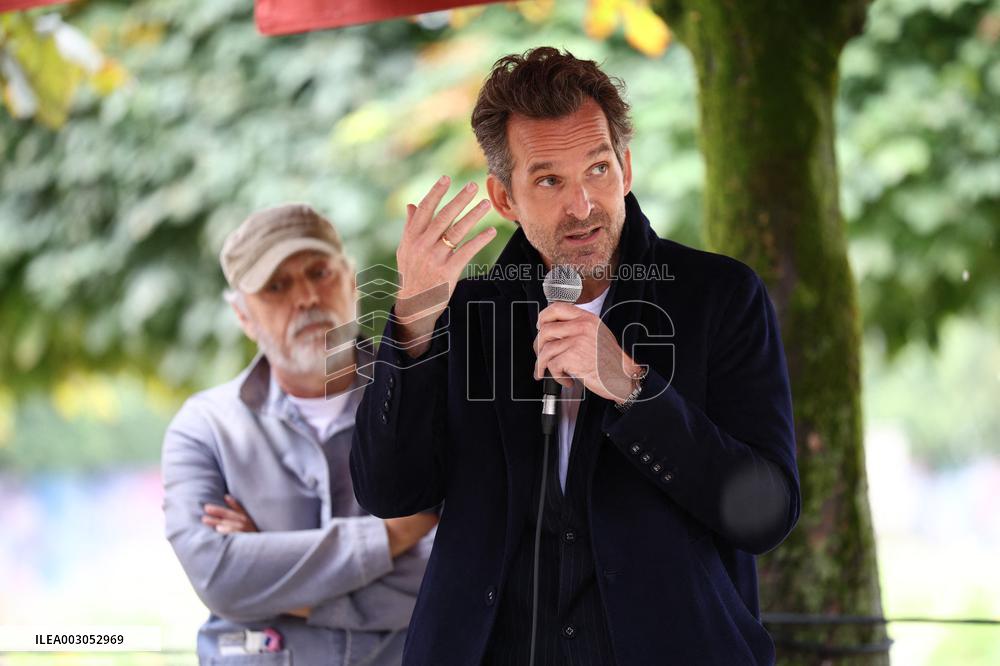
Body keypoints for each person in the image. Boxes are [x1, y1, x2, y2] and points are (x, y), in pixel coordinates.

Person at [350, 47, 800, 665]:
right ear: (504, 198)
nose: (583, 205)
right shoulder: (461, 310)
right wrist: (413, 319)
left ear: (626, 167)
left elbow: (766, 516)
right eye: (549, 180)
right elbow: (388, 491)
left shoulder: (719, 296)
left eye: (597, 169)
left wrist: (635, 388)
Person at [162, 203, 437, 665]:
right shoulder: (205, 429)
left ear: (352, 282)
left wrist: (276, 582)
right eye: (276, 286)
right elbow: (220, 579)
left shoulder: (426, 404)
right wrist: (390, 538)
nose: (307, 297)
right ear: (243, 316)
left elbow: (457, 575)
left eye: (319, 272)